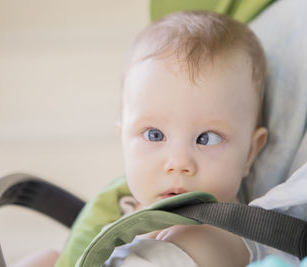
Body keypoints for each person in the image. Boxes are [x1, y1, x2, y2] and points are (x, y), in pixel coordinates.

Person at [16, 10, 269, 267]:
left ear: (249, 151)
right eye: (155, 135)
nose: (179, 162)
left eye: (207, 139)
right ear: (123, 138)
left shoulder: (214, 239)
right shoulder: (125, 207)